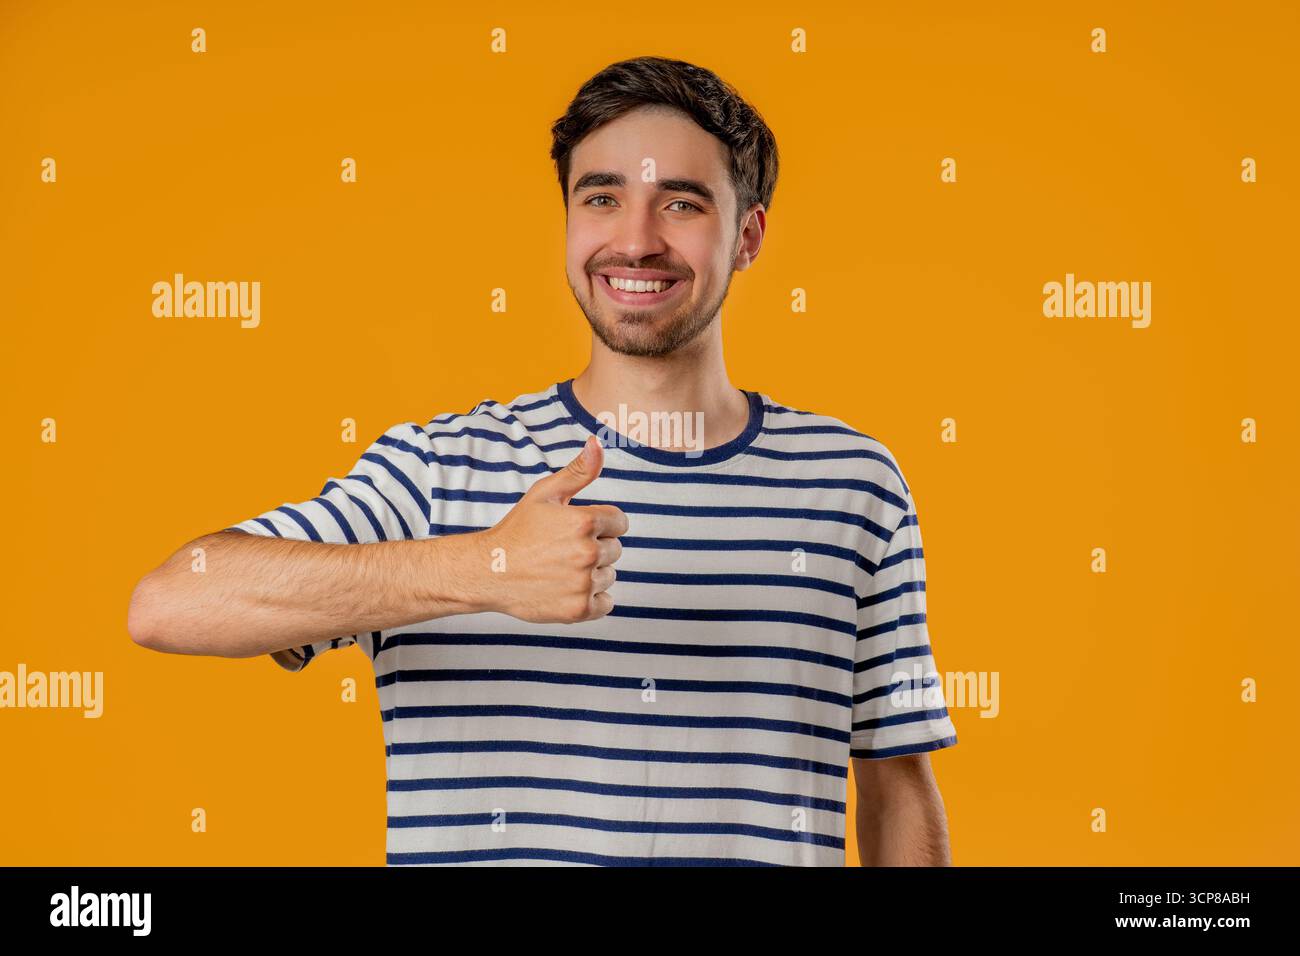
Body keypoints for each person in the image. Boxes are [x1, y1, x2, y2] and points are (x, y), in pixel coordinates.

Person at [127, 55, 958, 866]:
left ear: (748, 236)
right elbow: (170, 603)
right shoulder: (438, 471)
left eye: (681, 203)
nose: (636, 242)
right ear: (568, 220)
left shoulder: (855, 485)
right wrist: (485, 567)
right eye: (602, 198)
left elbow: (896, 787)